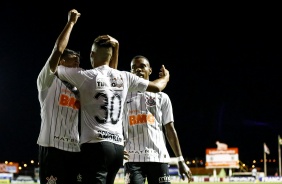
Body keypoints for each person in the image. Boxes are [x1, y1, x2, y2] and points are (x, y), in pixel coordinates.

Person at [56, 28, 170, 184]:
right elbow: (157, 87)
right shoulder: (124, 76)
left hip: (95, 145)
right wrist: (166, 77)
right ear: (110, 56)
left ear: (92, 55)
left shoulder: (85, 76)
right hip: (117, 149)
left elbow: (54, 65)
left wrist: (70, 24)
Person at [123, 55, 192, 184]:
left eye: (142, 66)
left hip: (159, 157)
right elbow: (115, 126)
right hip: (132, 158)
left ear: (150, 70)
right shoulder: (123, 97)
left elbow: (170, 129)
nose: (138, 70)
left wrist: (180, 160)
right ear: (130, 72)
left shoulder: (162, 97)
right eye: (134, 68)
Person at [36, 9, 82, 184]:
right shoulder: (47, 81)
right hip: (51, 147)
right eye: (73, 59)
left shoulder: (79, 88)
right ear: (61, 61)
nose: (78, 62)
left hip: (74, 148)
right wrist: (70, 23)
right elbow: (57, 50)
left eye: (79, 60)